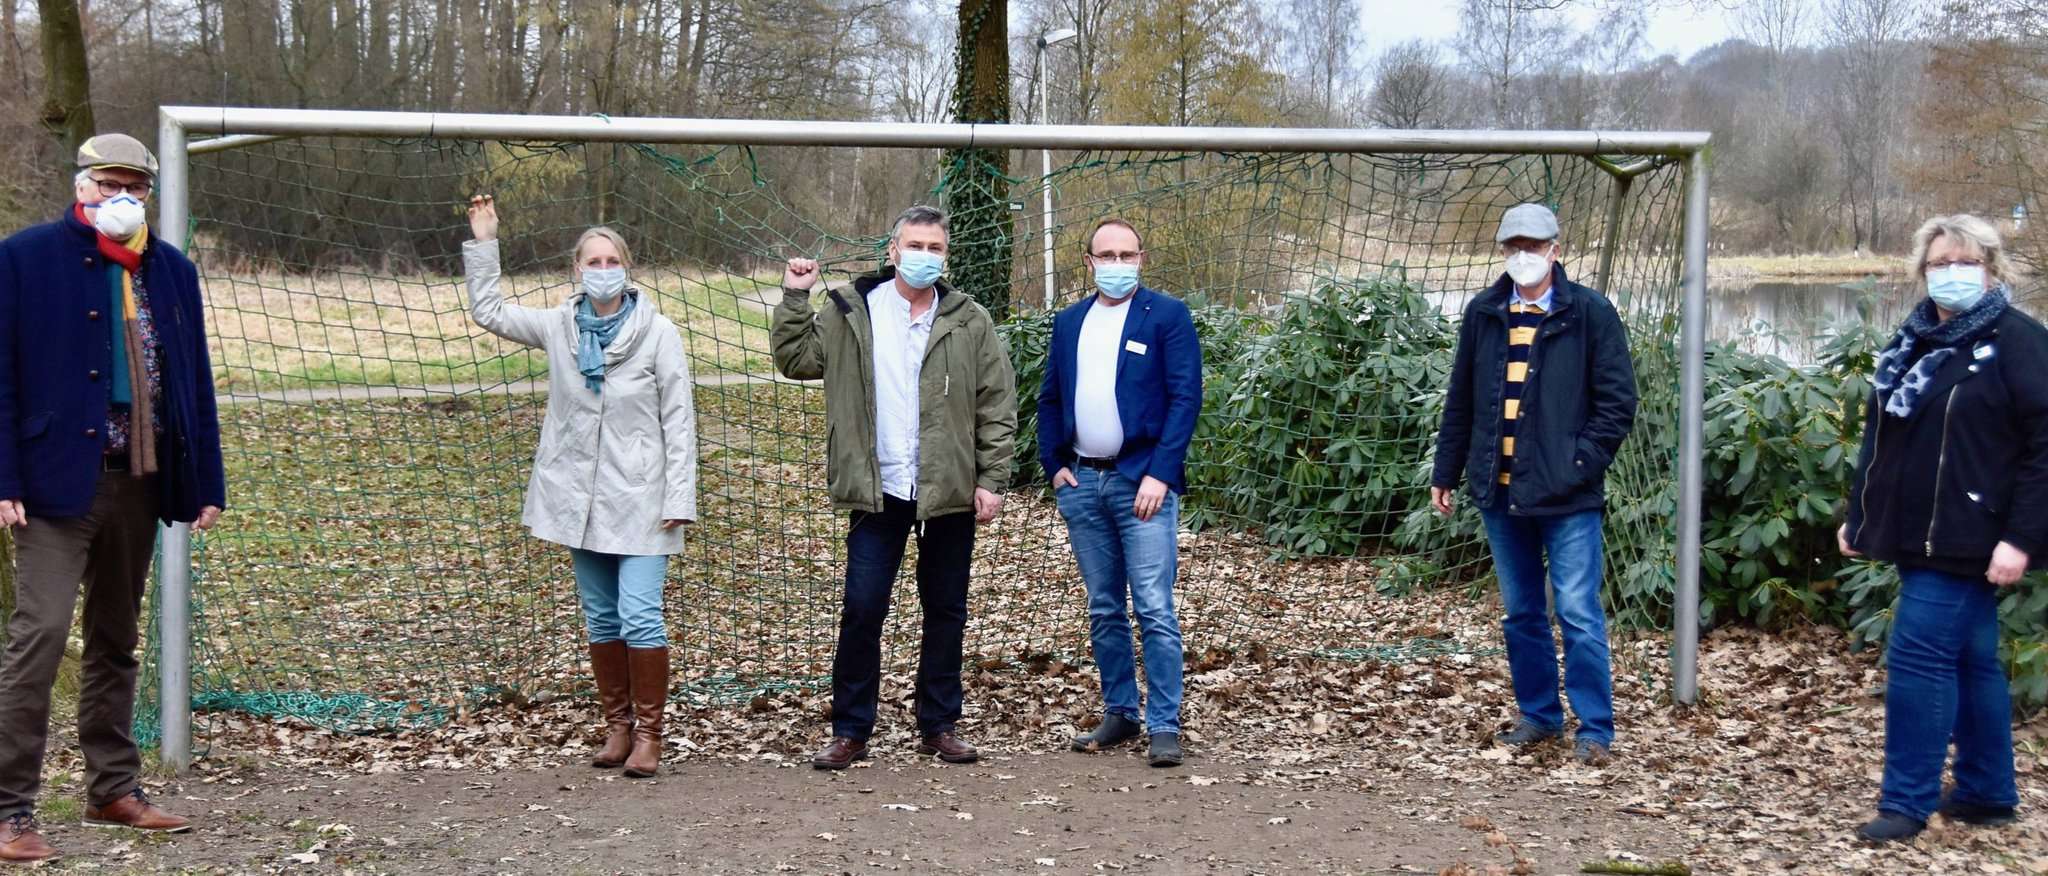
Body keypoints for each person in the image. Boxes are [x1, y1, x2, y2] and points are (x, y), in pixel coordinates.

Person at [0, 133, 227, 863]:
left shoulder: (171, 271)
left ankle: (112, 788)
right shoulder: (25, 257)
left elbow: (193, 382)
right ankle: (9, 808)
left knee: (116, 638)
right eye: (107, 183)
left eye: (133, 184)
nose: (119, 195)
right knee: (39, 636)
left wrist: (207, 481)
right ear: (82, 185)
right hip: (50, 483)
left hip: (140, 477)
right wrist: (4, 477)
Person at [772, 205, 1017, 770]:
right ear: (891, 250)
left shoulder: (969, 319)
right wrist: (793, 297)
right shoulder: (850, 310)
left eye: (935, 248)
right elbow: (796, 359)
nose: (924, 256)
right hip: (876, 487)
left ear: (946, 255)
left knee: (946, 608)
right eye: (915, 245)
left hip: (949, 488)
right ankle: (851, 729)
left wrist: (991, 479)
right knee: (862, 608)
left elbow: (996, 404)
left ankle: (939, 724)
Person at [462, 194, 698, 779]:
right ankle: (616, 728)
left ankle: (649, 736)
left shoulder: (658, 332)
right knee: (601, 618)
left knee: (641, 615)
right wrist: (486, 241)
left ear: (627, 267)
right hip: (578, 499)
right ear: (576, 270)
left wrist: (679, 497)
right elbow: (489, 310)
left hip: (643, 499)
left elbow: (679, 420)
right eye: (590, 262)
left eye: (610, 260)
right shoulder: (558, 325)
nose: (601, 271)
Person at [1838, 214, 2045, 843]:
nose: (1951, 273)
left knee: (1919, 658)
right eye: (1939, 263)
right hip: (1916, 531)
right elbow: (1885, 438)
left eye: (1965, 261)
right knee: (1972, 661)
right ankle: (1986, 792)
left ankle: (1905, 802)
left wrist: (2022, 538)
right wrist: (1861, 514)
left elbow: (2044, 448)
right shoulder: (1915, 340)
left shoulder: (2021, 341)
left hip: (1973, 533)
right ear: (1921, 271)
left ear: (1992, 267)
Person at [1429, 202, 1638, 765]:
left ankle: (1595, 728)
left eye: (1534, 244)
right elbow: (1462, 399)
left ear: (1556, 248)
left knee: (1577, 611)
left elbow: (1618, 403)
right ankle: (1540, 716)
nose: (1524, 255)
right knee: (1521, 612)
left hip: (1569, 498)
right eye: (1514, 245)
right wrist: (1446, 471)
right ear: (1503, 251)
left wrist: (1578, 464)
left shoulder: (1591, 313)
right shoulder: (1484, 312)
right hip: (1499, 493)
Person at [1037, 218, 1202, 767]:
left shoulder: (1168, 317)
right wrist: (1055, 465)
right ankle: (1121, 713)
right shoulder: (1069, 322)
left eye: (1126, 254)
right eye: (1105, 255)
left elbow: (1185, 399)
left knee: (1154, 606)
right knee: (1105, 606)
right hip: (1083, 484)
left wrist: (1160, 473)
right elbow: (1050, 399)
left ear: (1142, 258)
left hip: (1142, 485)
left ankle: (1164, 724)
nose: (1116, 263)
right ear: (1088, 262)